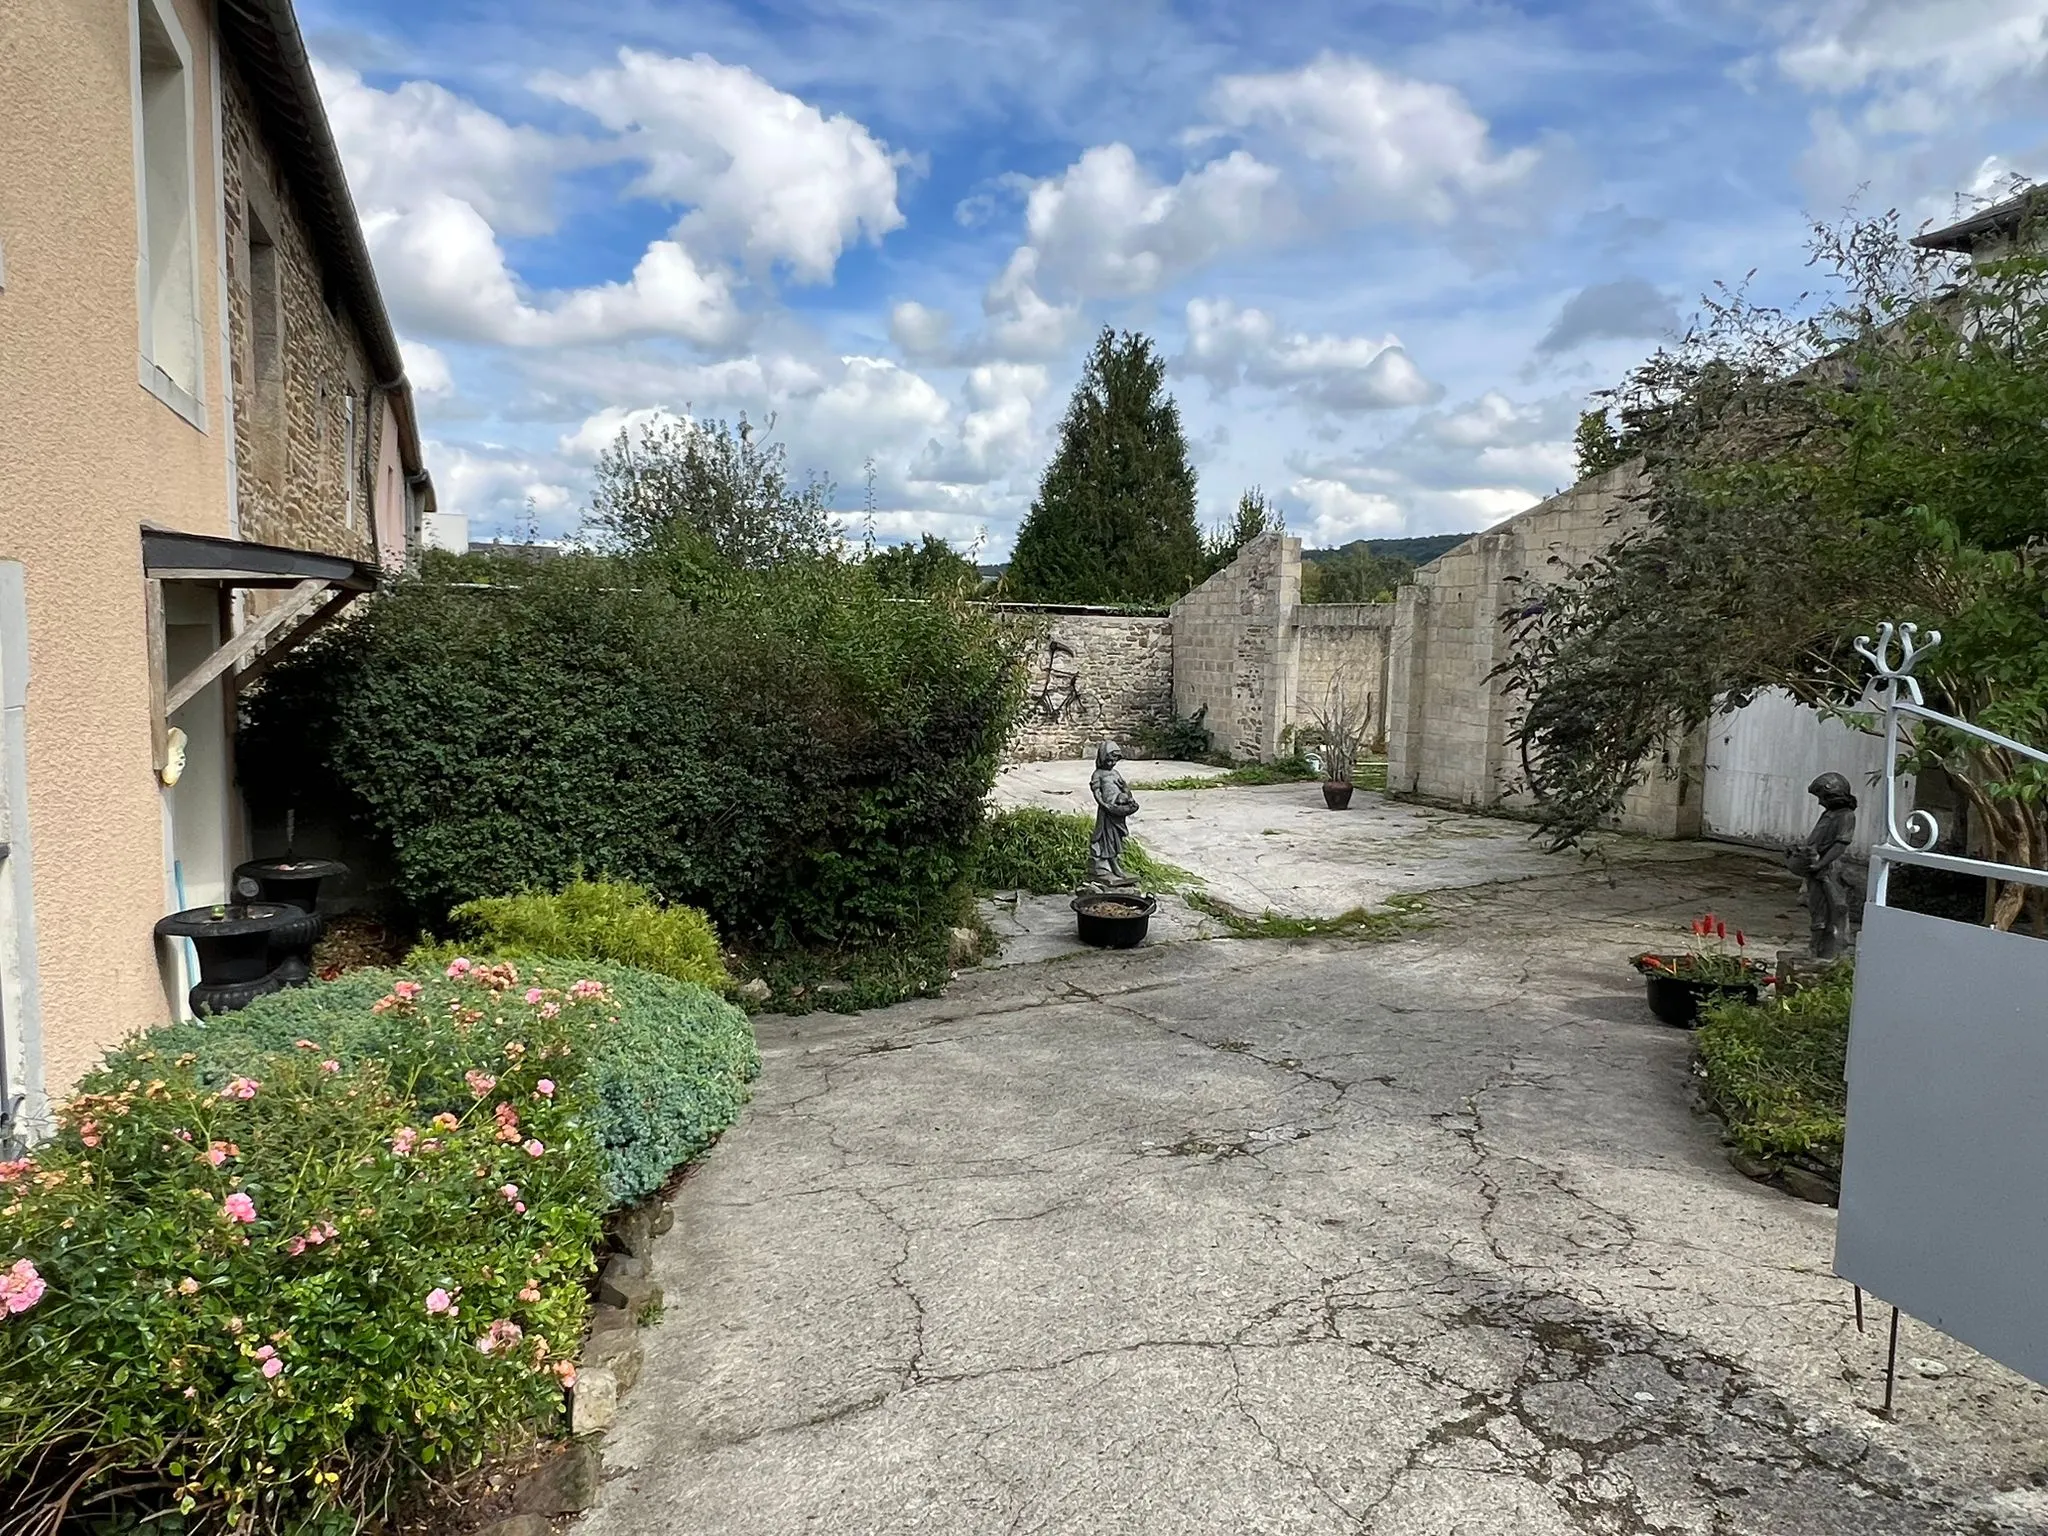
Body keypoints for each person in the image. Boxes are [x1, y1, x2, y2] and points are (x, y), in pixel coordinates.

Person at [1787, 772, 1856, 959]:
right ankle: (1816, 947)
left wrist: (1821, 864)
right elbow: (1816, 839)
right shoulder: (1829, 814)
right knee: (1816, 907)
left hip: (1827, 869)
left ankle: (1824, 949)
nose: (1820, 803)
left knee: (1830, 909)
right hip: (1816, 866)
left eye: (1822, 798)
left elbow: (1840, 844)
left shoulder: (1846, 816)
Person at [1088, 741, 1140, 887]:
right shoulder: (1098, 774)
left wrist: (1126, 792)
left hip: (1118, 810)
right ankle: (1112, 865)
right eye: (1108, 760)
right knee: (1107, 838)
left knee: (1117, 838)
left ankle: (1114, 863)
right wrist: (1104, 805)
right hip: (1107, 812)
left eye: (1114, 761)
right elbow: (1097, 792)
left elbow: (1125, 791)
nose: (1111, 763)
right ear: (1102, 758)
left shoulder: (1115, 774)